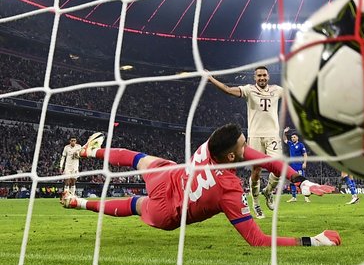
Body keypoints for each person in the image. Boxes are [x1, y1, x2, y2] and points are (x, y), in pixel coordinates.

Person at [60, 124, 341, 247]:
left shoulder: (210, 145)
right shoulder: (229, 191)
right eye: (243, 146)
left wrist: (299, 180)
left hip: (171, 176)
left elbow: (265, 160)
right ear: (231, 156)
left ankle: (88, 152)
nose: (247, 149)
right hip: (167, 208)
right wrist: (312, 241)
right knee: (135, 204)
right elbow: (258, 241)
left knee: (139, 159)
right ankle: (78, 201)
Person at [207, 67, 283, 219]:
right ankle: (256, 203)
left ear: (268, 76)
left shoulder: (277, 90)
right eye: (259, 75)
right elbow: (228, 90)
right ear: (255, 77)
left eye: (264, 75)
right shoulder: (248, 90)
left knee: (279, 169)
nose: (262, 78)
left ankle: (268, 191)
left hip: (272, 136)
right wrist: (210, 78)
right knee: (256, 171)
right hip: (255, 136)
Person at [283, 127, 309, 203]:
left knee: (302, 181)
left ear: (297, 137)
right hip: (292, 166)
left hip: (299, 166)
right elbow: (284, 139)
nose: (293, 138)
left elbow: (305, 154)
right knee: (292, 181)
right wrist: (284, 132)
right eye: (292, 137)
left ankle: (306, 197)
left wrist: (304, 163)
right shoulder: (290, 144)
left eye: (294, 137)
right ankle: (294, 197)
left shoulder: (301, 145)